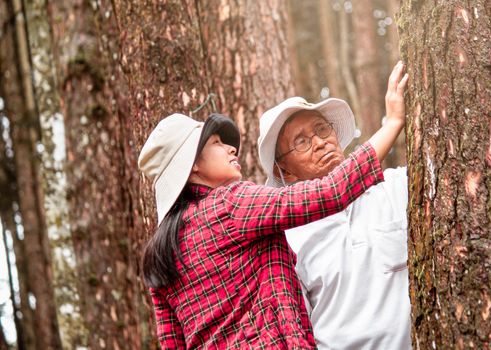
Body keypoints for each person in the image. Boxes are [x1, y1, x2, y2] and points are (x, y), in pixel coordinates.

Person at [137, 62, 407, 349]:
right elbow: (330, 191)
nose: (231, 148)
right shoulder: (229, 203)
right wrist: (391, 123)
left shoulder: (159, 253)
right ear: (191, 168)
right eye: (216, 143)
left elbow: (171, 344)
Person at [257, 61, 411, 349]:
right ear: (286, 172)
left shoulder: (394, 186)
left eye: (322, 129)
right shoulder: (287, 240)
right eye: (301, 142)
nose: (319, 142)